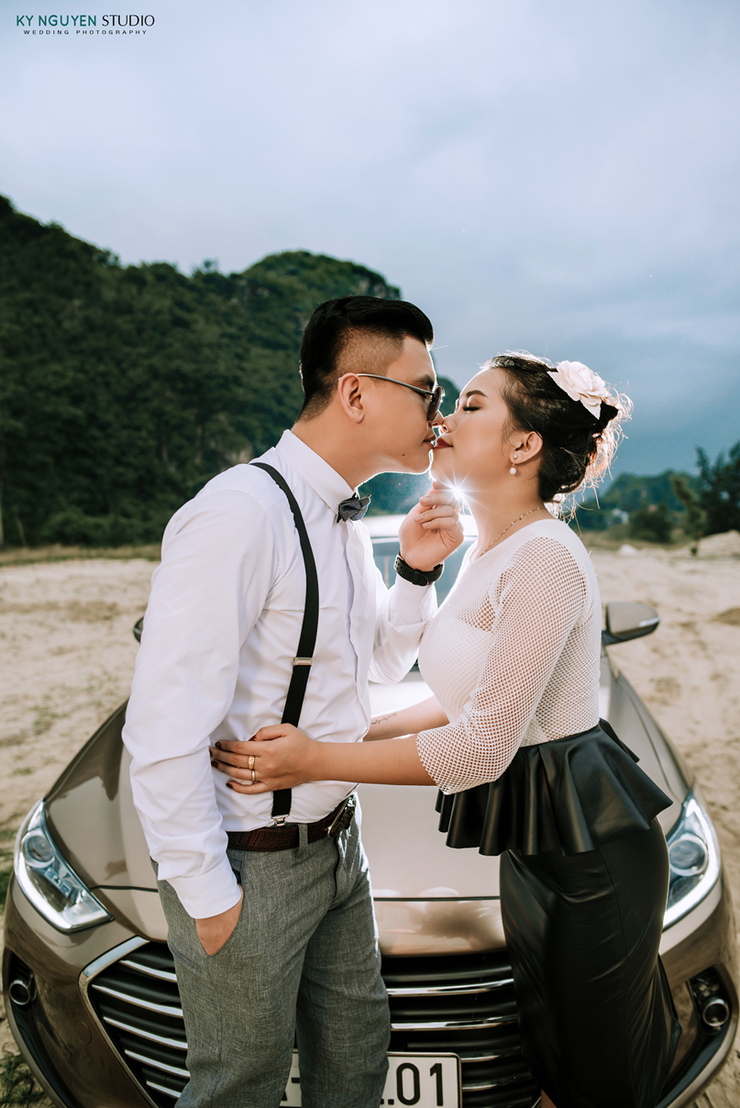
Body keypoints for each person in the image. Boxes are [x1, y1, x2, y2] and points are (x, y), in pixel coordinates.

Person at [211, 352, 682, 1108]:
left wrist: (317, 760)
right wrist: (355, 731)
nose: (444, 416)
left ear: (523, 445)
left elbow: (483, 746)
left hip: (592, 857)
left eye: (471, 404)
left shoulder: (546, 558)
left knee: (595, 1076)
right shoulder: (492, 547)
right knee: (554, 1060)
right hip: (540, 844)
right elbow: (463, 699)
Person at [122, 294, 465, 1108]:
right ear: (356, 393)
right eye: (427, 391)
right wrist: (210, 899)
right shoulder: (238, 516)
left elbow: (374, 666)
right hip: (254, 866)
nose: (440, 415)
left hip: (340, 850)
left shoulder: (339, 518)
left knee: (354, 1066)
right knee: (239, 1089)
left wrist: (416, 572)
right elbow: (164, 726)